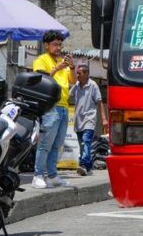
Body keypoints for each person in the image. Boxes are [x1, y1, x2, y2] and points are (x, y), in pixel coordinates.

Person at [32, 30, 75, 189]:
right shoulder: (41, 60)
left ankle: (52, 175)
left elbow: (73, 81)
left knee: (57, 144)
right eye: (55, 44)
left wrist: (71, 67)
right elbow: (40, 80)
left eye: (60, 44)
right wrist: (56, 68)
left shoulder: (62, 63)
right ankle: (38, 175)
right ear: (46, 45)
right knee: (45, 143)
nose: (58, 48)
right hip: (50, 105)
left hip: (63, 105)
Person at [69, 64, 107, 176]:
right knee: (82, 145)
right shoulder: (76, 85)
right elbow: (68, 94)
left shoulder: (93, 85)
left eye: (79, 73)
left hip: (89, 119)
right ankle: (89, 167)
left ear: (86, 74)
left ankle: (83, 165)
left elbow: (100, 102)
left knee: (86, 141)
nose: (77, 75)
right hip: (78, 120)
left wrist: (104, 119)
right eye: (77, 73)